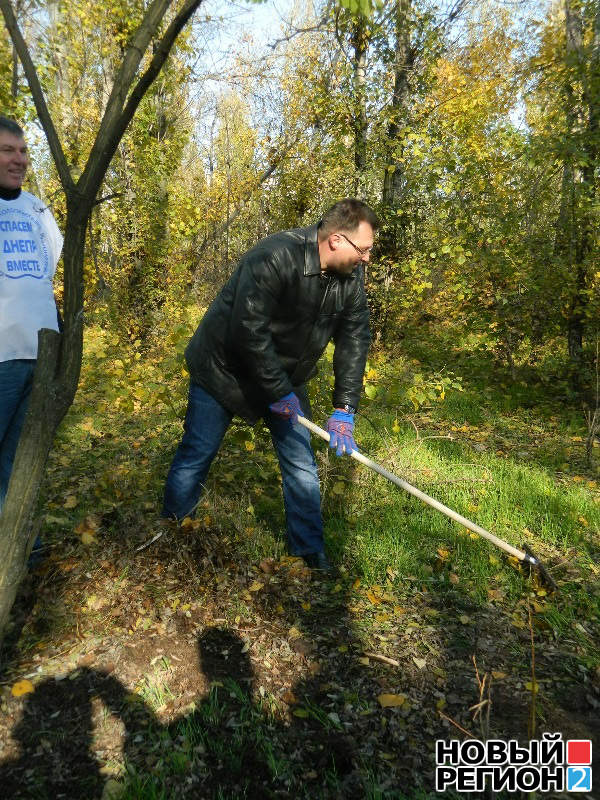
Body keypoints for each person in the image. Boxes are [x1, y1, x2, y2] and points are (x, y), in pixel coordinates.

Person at [162, 198, 378, 571]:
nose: (367, 259)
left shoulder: (350, 275)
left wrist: (345, 407)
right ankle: (171, 534)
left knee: (300, 464)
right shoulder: (276, 257)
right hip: (224, 370)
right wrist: (277, 391)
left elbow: (355, 337)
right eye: (364, 249)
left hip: (286, 377)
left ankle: (309, 553)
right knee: (197, 453)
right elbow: (248, 330)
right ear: (335, 241)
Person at [0, 116, 63, 516]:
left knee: (19, 466)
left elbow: (51, 268)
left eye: (23, 151)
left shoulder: (38, 209)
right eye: (7, 150)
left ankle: (20, 555)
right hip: (0, 358)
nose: (19, 159)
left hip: (39, 357)